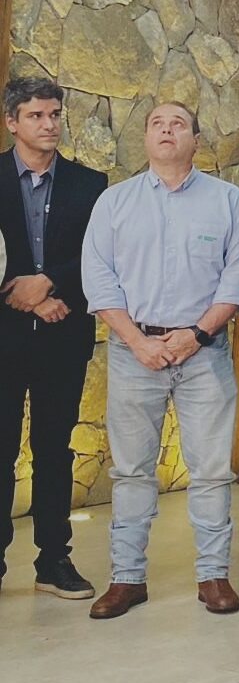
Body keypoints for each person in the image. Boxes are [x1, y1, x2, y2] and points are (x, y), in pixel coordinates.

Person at [81, 102, 239, 618]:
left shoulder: (228, 202)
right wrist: (138, 341)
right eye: (157, 123)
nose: (167, 130)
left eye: (178, 123)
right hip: (134, 352)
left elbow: (238, 280)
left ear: (196, 142)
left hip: (204, 354)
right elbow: (98, 279)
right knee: (133, 471)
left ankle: (213, 575)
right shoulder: (115, 203)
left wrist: (196, 336)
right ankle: (127, 579)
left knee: (210, 470)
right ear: (145, 138)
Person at [1, 77, 107, 600]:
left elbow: (104, 258)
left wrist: (52, 283)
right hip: (3, 337)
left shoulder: (92, 184)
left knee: (54, 448)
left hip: (64, 337)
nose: (49, 124)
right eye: (37, 115)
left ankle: (53, 560)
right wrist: (26, 293)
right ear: (12, 122)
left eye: (55, 114)